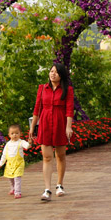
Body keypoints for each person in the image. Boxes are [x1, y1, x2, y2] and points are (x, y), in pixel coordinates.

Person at [29, 63, 74, 202]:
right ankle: (47, 189)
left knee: (60, 155)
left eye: (56, 72)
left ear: (61, 75)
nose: (53, 74)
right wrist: (32, 128)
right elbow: (37, 109)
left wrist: (68, 127)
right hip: (45, 124)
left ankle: (59, 184)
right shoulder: (43, 88)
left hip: (60, 123)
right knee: (47, 157)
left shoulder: (67, 90)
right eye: (51, 71)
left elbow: (69, 109)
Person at [0, 124, 30, 198]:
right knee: (10, 178)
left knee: (17, 178)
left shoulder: (21, 142)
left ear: (20, 134)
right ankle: (13, 188)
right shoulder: (8, 144)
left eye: (16, 133)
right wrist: (1, 163)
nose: (14, 135)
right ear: (9, 135)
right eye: (12, 133)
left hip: (19, 164)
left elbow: (27, 146)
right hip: (10, 164)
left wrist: (30, 143)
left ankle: (17, 192)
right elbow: (4, 154)